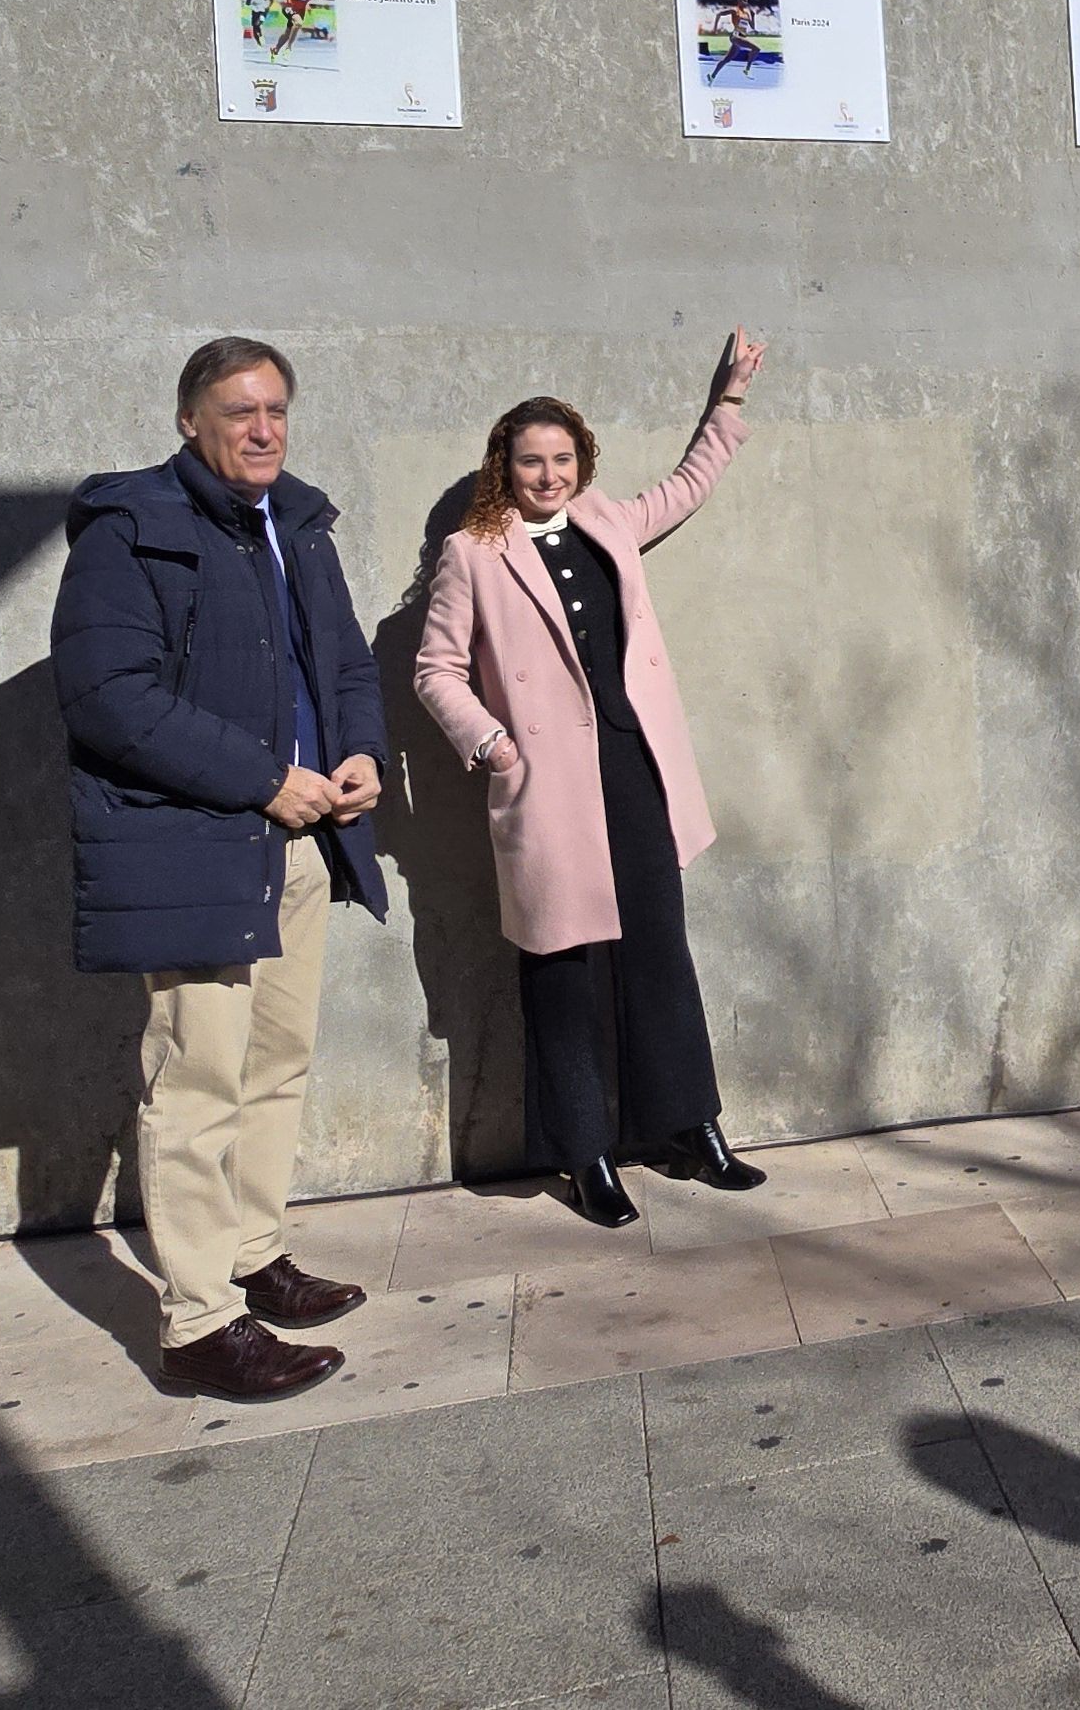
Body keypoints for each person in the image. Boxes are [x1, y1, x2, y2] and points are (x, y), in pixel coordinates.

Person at [49, 337, 391, 1401]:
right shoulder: (133, 526)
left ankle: (251, 1253)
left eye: (277, 409)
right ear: (190, 419)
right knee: (194, 1079)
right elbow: (109, 696)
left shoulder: (298, 524)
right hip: (199, 838)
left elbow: (343, 661)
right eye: (238, 410)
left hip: (301, 833)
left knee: (275, 1061)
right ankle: (198, 1322)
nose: (263, 428)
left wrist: (362, 752)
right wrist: (260, 778)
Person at [415, 330, 771, 1225]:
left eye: (562, 458)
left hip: (633, 764)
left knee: (659, 948)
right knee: (561, 965)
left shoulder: (608, 519)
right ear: (506, 465)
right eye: (531, 461)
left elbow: (687, 487)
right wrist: (493, 745)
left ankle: (690, 1126)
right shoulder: (473, 551)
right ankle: (586, 1154)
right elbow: (435, 670)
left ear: (582, 462)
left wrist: (725, 404)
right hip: (546, 783)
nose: (548, 475)